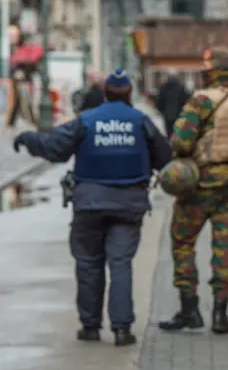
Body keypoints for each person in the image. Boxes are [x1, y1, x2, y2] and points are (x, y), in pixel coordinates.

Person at [13, 67, 172, 346]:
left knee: (88, 264)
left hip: (88, 205)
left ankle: (90, 326)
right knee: (121, 264)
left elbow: (54, 147)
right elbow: (164, 157)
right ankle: (122, 329)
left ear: (105, 93)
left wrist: (27, 139)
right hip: (129, 206)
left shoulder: (86, 120)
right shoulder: (140, 121)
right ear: (129, 93)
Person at [158, 46, 228, 334]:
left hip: (198, 188)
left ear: (209, 73)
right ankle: (220, 315)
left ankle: (189, 309)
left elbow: (179, 141)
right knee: (224, 248)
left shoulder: (201, 101)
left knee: (182, 241)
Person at [155, 68, 190, 138]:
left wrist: (163, 112)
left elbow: (159, 102)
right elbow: (186, 101)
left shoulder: (163, 88)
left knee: (169, 133)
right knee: (178, 134)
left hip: (167, 116)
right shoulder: (181, 88)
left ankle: (170, 146)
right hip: (179, 115)